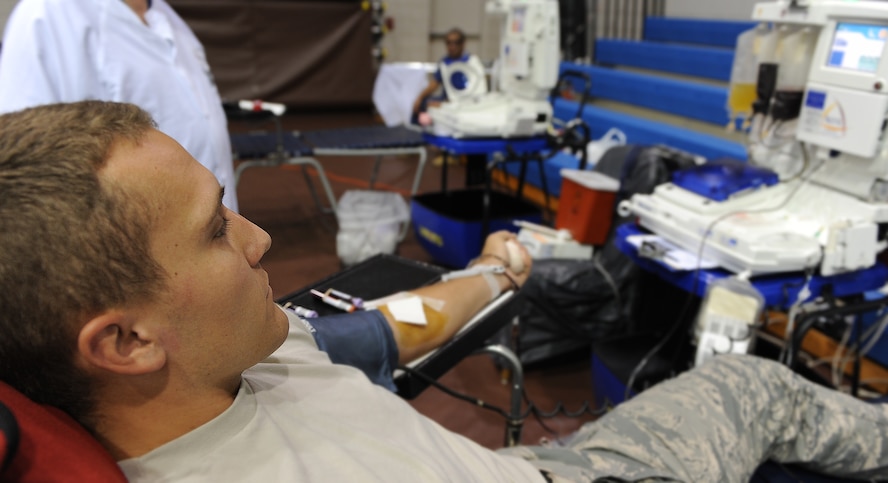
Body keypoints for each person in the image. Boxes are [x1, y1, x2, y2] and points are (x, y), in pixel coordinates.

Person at [2, 101, 888, 482]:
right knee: (752, 383)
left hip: (517, 466)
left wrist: (492, 272)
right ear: (125, 342)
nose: (259, 235)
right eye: (213, 229)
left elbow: (391, 327)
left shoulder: (253, 348)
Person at [0, 0, 239, 212]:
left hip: (206, 238)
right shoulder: (49, 14)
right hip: (132, 246)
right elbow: (27, 167)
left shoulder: (168, 18)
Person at [411, 27, 480, 124]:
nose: (451, 47)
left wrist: (453, 102)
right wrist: (419, 98)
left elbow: (479, 88)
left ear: (463, 44)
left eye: (455, 43)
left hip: (468, 101)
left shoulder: (472, 62)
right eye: (448, 43)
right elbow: (434, 83)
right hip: (447, 99)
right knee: (423, 104)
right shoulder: (444, 63)